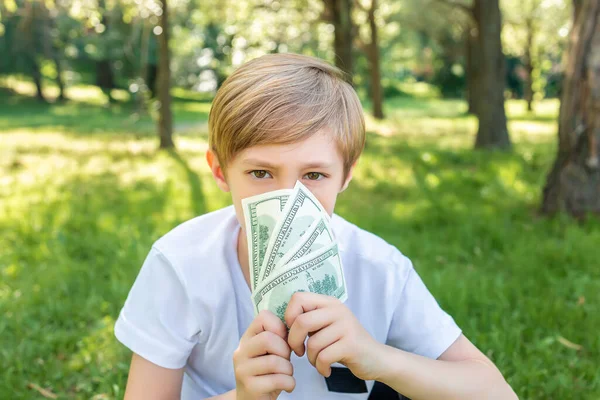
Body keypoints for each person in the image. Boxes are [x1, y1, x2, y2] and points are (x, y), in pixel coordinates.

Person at [114, 53, 518, 400]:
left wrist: (380, 358)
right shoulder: (181, 264)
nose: (289, 200)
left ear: (345, 176)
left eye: (313, 175)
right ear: (220, 171)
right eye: (260, 172)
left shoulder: (380, 269)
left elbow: (495, 392)